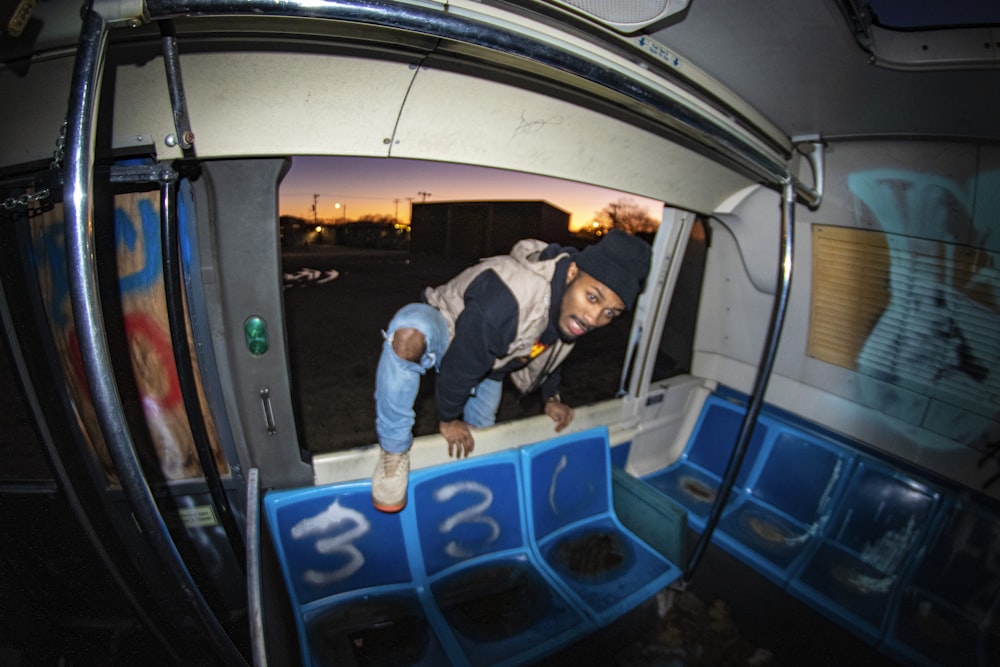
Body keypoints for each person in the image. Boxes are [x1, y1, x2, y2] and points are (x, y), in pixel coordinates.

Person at [371, 229, 652, 512]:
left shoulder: (568, 303)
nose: (594, 318)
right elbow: (462, 361)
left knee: (480, 443)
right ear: (572, 273)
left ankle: (467, 501)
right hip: (448, 324)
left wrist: (551, 398)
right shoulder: (512, 295)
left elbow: (551, 348)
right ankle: (393, 452)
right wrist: (447, 417)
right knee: (408, 336)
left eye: (610, 313)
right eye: (593, 298)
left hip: (490, 361)